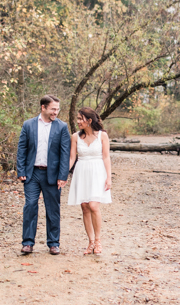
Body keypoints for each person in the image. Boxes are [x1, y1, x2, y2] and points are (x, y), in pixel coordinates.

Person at [16, 95, 71, 255]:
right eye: (53, 109)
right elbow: (22, 149)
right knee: (30, 206)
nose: (56, 112)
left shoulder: (62, 127)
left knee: (53, 209)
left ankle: (53, 243)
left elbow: (64, 153)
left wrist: (63, 175)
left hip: (52, 175)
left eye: (57, 109)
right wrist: (21, 171)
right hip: (32, 173)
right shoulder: (28, 125)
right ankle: (27, 243)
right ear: (43, 108)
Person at [68, 107, 112, 255]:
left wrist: (109, 177)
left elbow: (106, 157)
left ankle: (98, 241)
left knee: (93, 205)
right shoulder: (75, 137)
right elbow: (72, 158)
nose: (78, 121)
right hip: (81, 171)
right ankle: (90, 242)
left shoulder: (102, 136)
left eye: (81, 119)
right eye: (78, 118)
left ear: (89, 120)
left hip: (97, 172)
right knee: (85, 206)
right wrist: (63, 174)